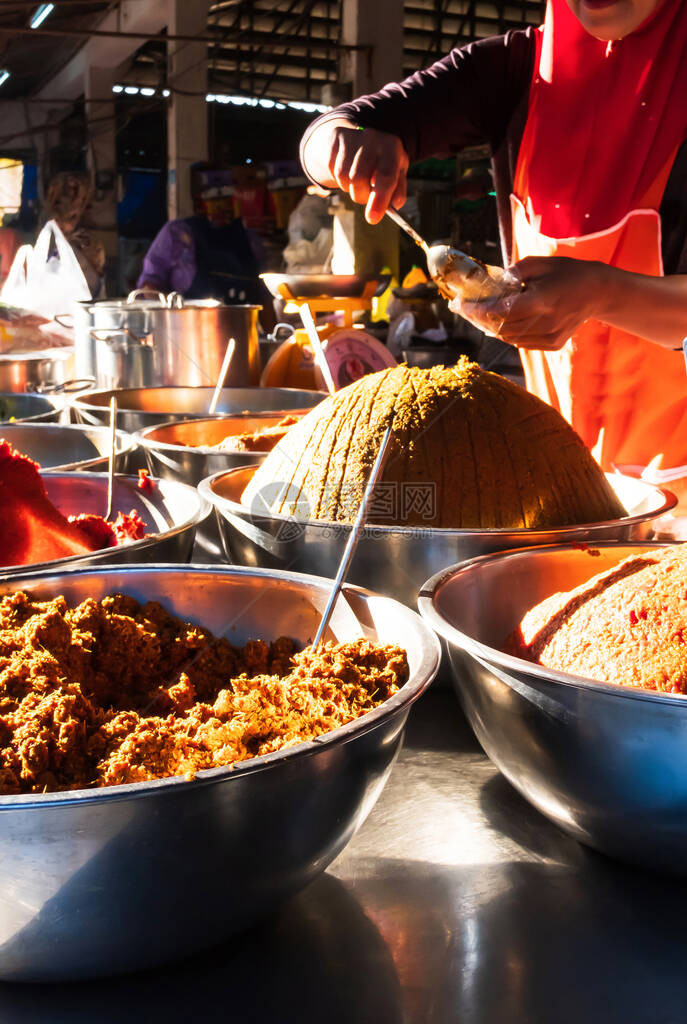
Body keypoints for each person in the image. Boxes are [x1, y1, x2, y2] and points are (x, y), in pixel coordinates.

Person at [300, 0, 687, 486]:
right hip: (567, 480)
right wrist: (341, 142)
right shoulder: (514, 69)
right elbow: (332, 130)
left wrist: (602, 293)